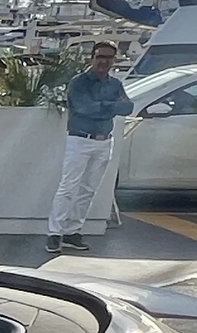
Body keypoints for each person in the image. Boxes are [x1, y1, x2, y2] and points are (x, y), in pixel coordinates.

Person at [46, 39, 133, 254]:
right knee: (68, 187)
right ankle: (54, 233)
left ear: (114, 60)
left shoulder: (115, 84)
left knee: (88, 190)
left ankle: (73, 232)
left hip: (104, 142)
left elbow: (128, 107)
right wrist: (112, 106)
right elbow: (85, 108)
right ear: (92, 57)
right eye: (100, 56)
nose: (104, 61)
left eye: (108, 57)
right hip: (80, 140)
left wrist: (105, 107)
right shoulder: (79, 82)